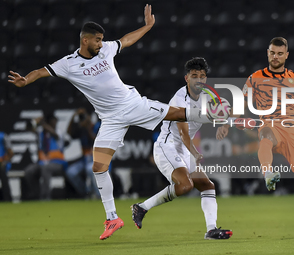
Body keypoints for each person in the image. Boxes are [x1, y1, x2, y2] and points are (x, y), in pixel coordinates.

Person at [8, 5, 210, 240]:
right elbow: (42, 71)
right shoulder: (69, 63)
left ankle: (212, 113)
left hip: (131, 103)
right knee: (98, 167)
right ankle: (112, 218)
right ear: (85, 40)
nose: (102, 44)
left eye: (102, 40)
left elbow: (126, 40)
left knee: (176, 114)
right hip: (111, 119)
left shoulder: (105, 51)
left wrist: (146, 27)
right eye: (97, 40)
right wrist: (26, 80)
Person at [216, 37, 294, 237]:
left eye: (280, 53)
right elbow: (241, 104)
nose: (275, 56)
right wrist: (226, 122)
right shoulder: (254, 78)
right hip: (270, 124)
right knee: (264, 134)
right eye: (272, 52)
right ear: (267, 52)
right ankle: (268, 172)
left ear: (286, 55)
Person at [131, 57, 233, 240]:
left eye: (202, 76)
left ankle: (211, 230)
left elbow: (224, 109)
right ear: (187, 78)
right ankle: (142, 207)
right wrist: (195, 153)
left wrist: (223, 125)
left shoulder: (208, 94)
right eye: (194, 76)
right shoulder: (179, 99)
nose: (199, 80)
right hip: (167, 145)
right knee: (185, 185)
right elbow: (184, 134)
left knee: (208, 186)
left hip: (185, 148)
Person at [24, 114, 67, 200]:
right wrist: (34, 121)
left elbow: (55, 135)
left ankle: (45, 197)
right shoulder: (41, 133)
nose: (54, 123)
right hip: (42, 162)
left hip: (57, 163)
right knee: (28, 171)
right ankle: (38, 194)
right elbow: (28, 128)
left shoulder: (58, 131)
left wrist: (43, 124)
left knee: (46, 169)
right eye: (52, 121)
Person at [0, 131, 14, 202]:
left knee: (2, 170)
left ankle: (7, 199)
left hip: (2, 163)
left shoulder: (3, 136)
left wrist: (4, 161)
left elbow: (11, 153)